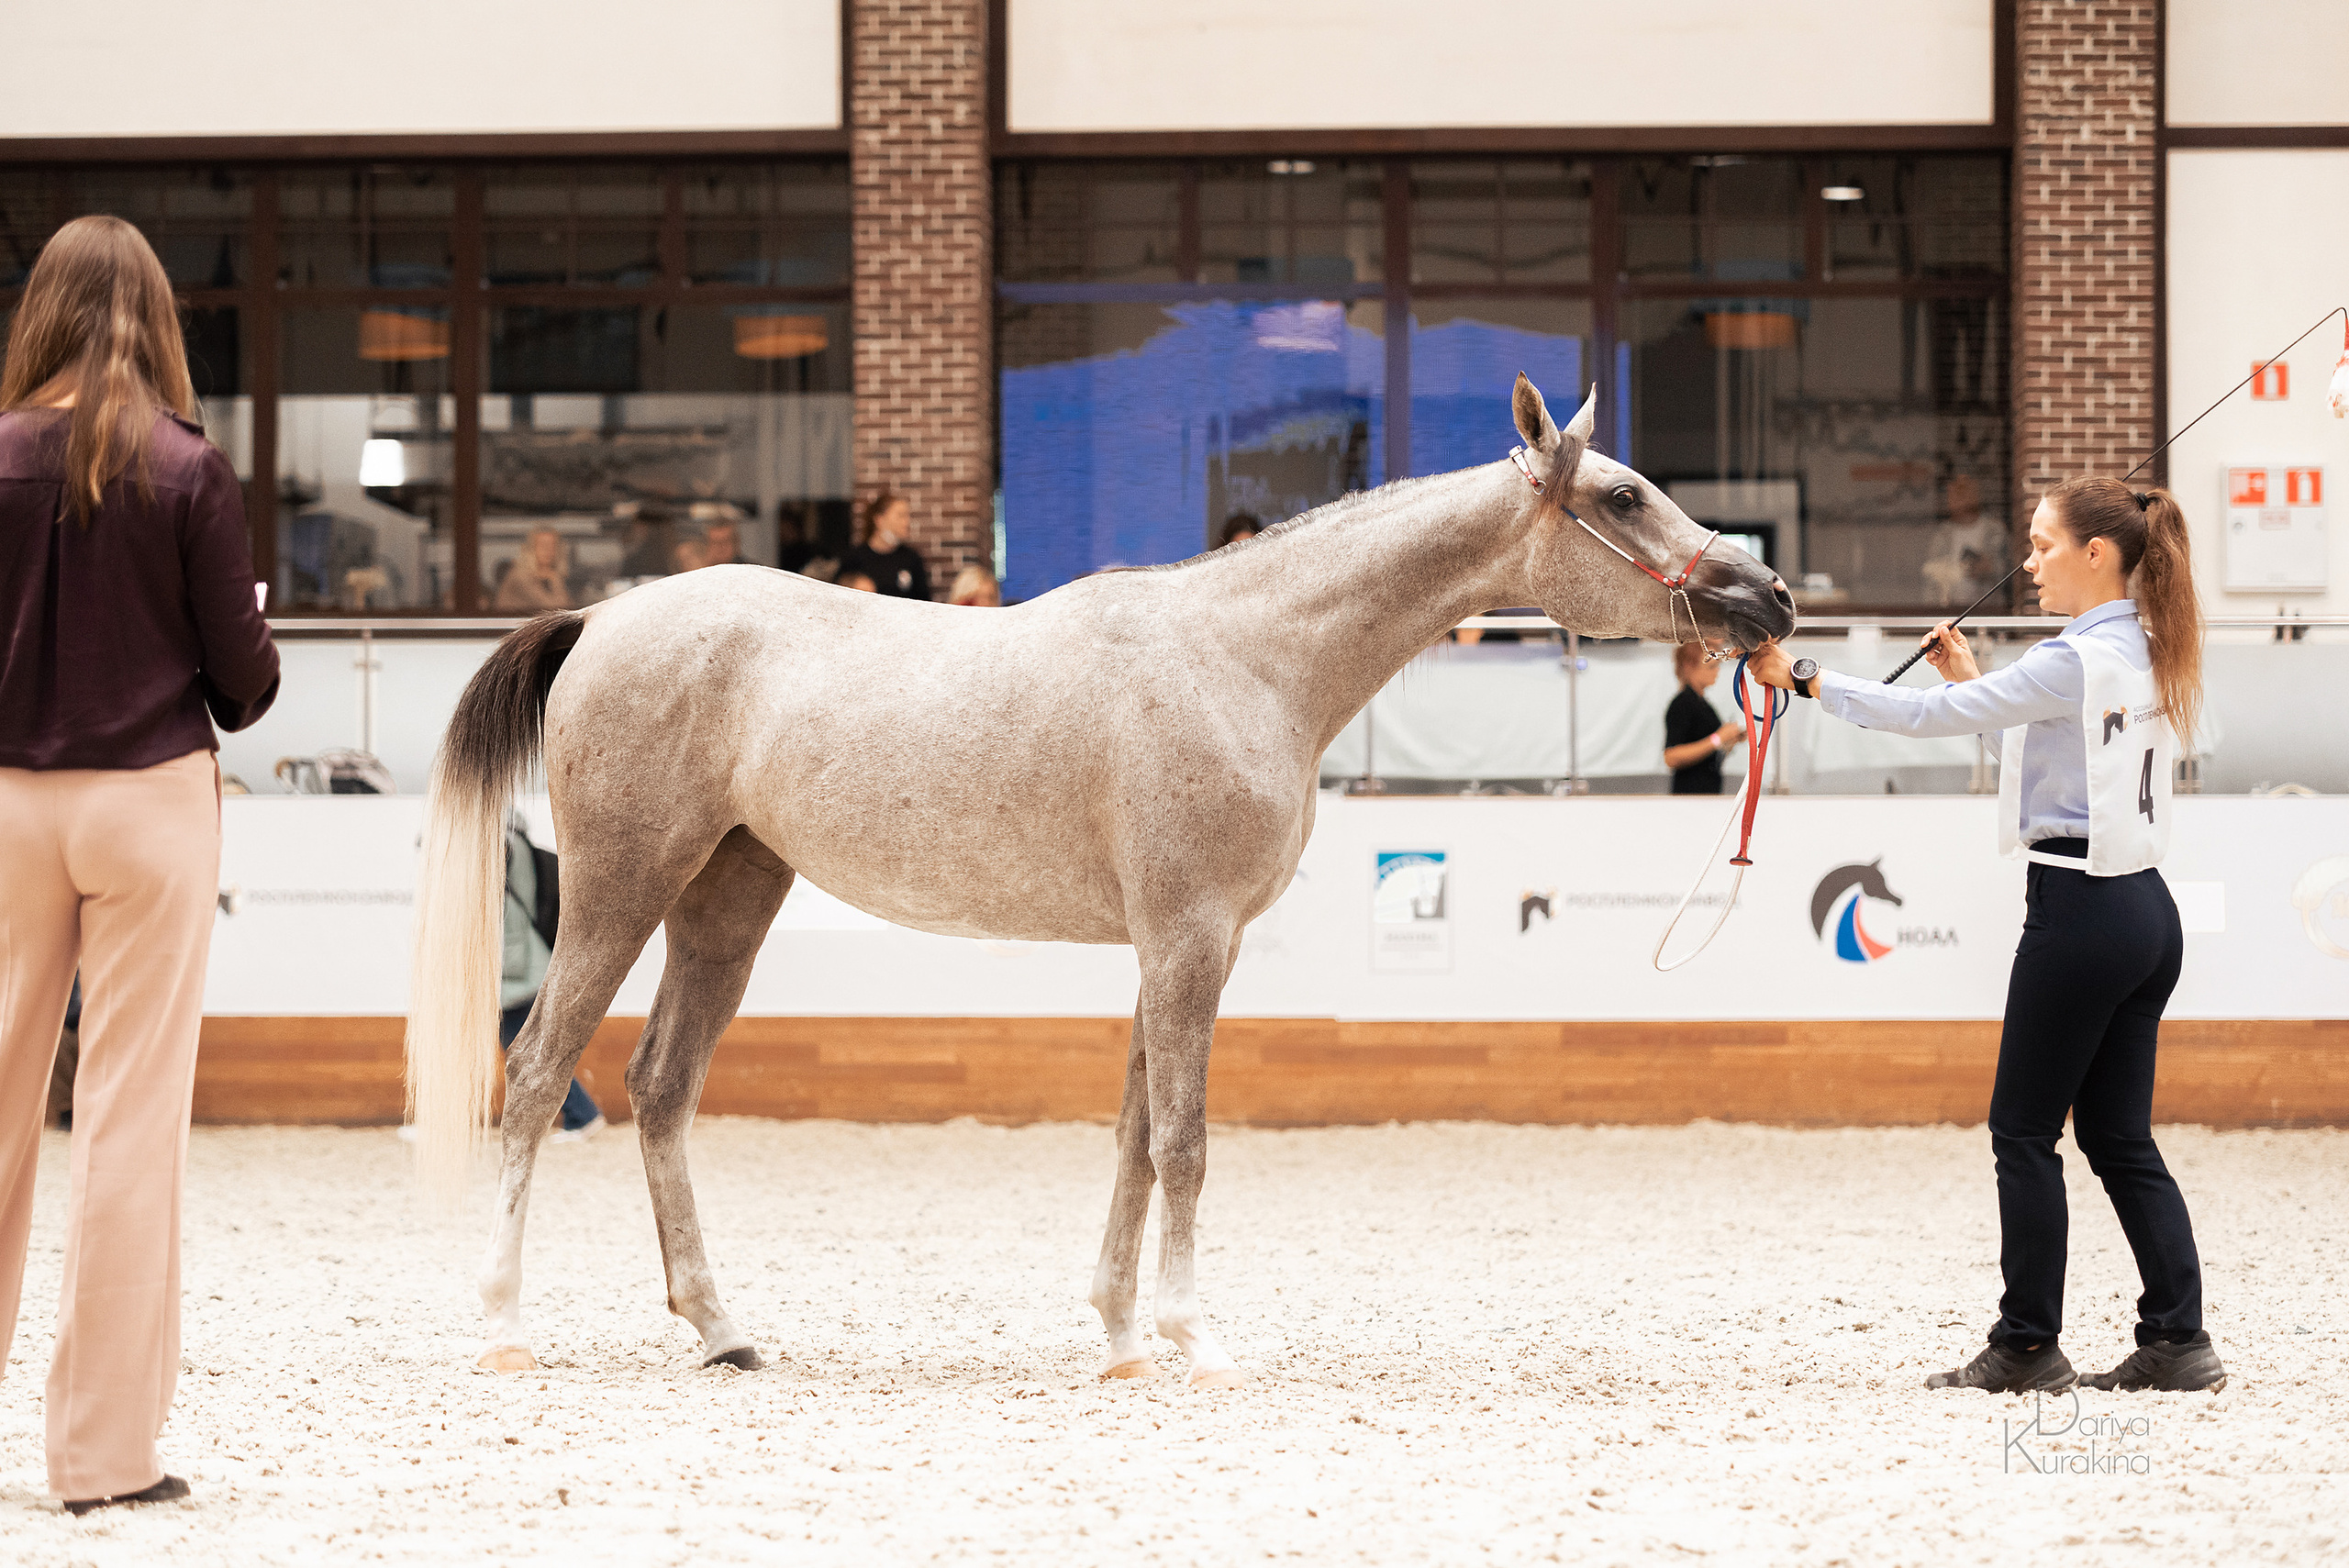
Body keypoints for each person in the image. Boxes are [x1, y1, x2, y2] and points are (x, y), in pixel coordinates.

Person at [1750, 476, 2222, 1396]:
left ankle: (2026, 1343)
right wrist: (1975, 683)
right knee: (2120, 1137)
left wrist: (1803, 676)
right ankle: (2177, 1335)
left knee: (2022, 1130)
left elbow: (1923, 719)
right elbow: (2060, 750)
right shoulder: (2139, 645)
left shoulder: (2071, 657)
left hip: (2079, 907)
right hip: (2141, 910)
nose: (2028, 562)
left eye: (2042, 545)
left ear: (2097, 554)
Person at [0, 215, 280, 1514]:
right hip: (152, 808)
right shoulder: (187, 467)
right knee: (125, 1126)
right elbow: (247, 689)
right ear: (155, 319)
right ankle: (102, 1461)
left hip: (8, 809)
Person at [502, 823, 603, 1142]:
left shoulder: (504, 845)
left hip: (518, 970)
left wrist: (502, 967)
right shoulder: (516, 841)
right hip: (525, 964)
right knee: (528, 1049)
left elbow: (510, 918)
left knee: (527, 1050)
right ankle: (582, 1114)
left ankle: (583, 1114)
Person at [1660, 640, 1745, 795]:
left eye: (1718, 666)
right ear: (1689, 667)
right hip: (1689, 794)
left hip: (1708, 790)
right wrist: (1718, 738)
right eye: (1711, 667)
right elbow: (1671, 757)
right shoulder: (1682, 704)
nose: (1717, 671)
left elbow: (1709, 747)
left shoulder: (1703, 705)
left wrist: (1730, 738)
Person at [842, 491, 931, 600]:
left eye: (907, 516)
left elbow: (923, 602)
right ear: (879, 519)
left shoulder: (911, 558)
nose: (906, 522)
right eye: (900, 516)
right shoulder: (855, 558)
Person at [494, 528, 573, 611]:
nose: (548, 550)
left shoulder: (550, 575)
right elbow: (557, 609)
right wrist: (556, 581)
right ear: (531, 548)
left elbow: (569, 607)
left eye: (553, 545)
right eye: (542, 545)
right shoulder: (520, 576)